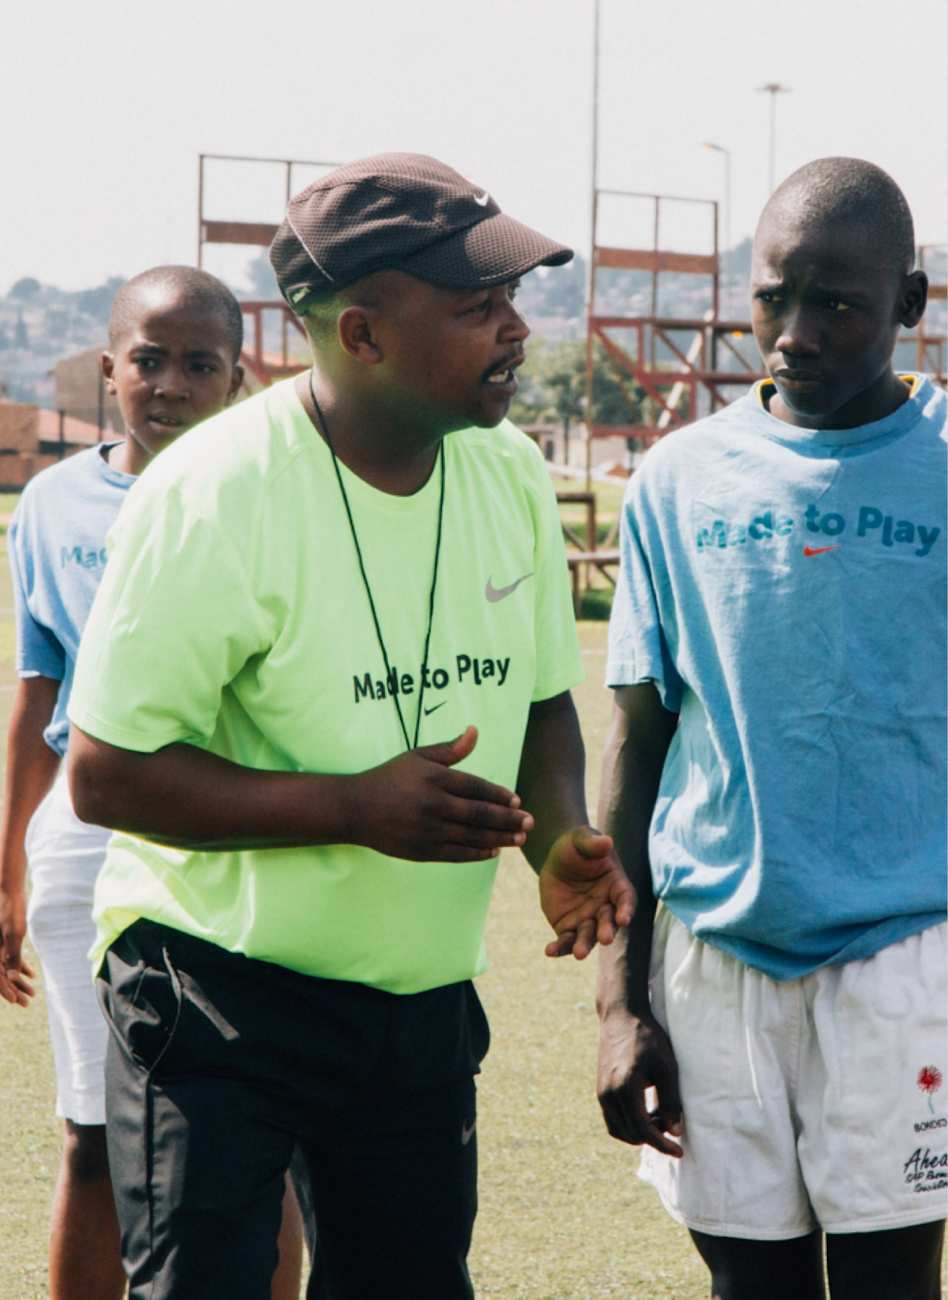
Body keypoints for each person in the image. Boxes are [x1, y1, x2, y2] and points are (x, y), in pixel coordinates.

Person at [66, 152, 634, 1299]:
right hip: (213, 984)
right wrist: (352, 807)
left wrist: (557, 836)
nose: (517, 329)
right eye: (478, 305)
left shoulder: (510, 477)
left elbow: (537, 704)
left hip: (415, 1000)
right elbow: (106, 775)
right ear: (362, 334)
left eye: (512, 298)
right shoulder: (212, 492)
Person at [596, 156, 947, 1300]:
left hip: (905, 957)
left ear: (910, 304)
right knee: (750, 1285)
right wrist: (618, 999)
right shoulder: (675, 482)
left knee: (892, 1280)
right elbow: (639, 740)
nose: (794, 334)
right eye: (772, 297)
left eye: (836, 304)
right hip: (716, 955)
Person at [0, 266, 304, 1299]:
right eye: (149, 360)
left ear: (239, 378)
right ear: (108, 368)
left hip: (233, 824)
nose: (171, 384)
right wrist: (9, 868)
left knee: (259, 1135)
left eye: (199, 364)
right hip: (87, 838)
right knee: (93, 1134)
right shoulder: (51, 502)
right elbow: (38, 692)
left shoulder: (269, 495)